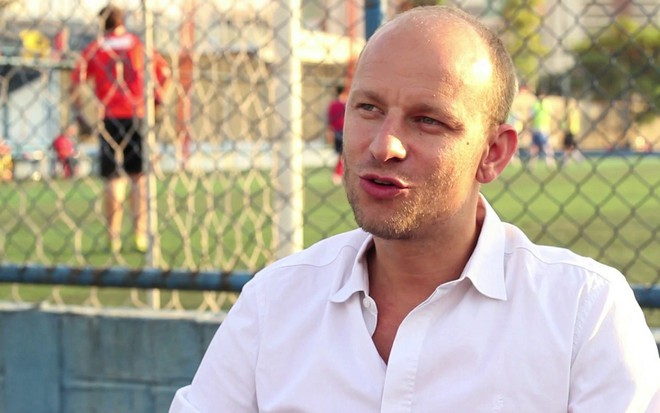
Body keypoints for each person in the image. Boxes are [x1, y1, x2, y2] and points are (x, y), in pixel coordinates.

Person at [170, 6, 660, 412]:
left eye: (428, 121)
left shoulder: (584, 315)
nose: (384, 145)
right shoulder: (276, 302)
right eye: (368, 109)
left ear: (493, 153)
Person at [71, 4, 170, 253]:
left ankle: (113, 237)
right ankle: (139, 235)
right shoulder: (139, 45)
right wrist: (157, 103)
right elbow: (164, 74)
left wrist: (80, 112)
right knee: (140, 178)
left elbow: (76, 82)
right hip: (138, 115)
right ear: (122, 21)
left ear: (102, 23)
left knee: (114, 179)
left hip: (110, 118)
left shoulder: (95, 48)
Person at [325, 84, 348, 185]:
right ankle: (338, 174)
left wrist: (330, 131)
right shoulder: (345, 104)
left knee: (342, 154)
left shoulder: (332, 104)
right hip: (343, 130)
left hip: (336, 131)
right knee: (343, 154)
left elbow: (329, 119)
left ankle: (339, 174)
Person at [529, 92, 556, 168]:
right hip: (538, 128)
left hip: (543, 128)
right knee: (539, 146)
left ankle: (549, 162)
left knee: (545, 146)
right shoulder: (537, 105)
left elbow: (531, 116)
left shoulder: (543, 104)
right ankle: (533, 163)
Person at [562, 97, 584, 164]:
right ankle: (571, 159)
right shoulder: (576, 110)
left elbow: (569, 120)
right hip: (574, 130)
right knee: (570, 146)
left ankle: (573, 159)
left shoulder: (569, 110)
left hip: (570, 130)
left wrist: (566, 129)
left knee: (568, 146)